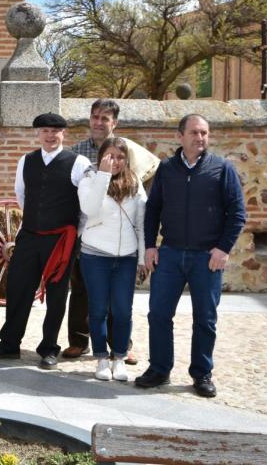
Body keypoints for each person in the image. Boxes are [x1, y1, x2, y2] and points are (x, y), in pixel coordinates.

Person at [137, 114, 246, 398]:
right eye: (195, 132)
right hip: (170, 254)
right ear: (180, 136)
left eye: (204, 133)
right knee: (159, 314)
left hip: (206, 258)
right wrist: (150, 246)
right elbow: (153, 210)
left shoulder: (222, 168)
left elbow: (237, 213)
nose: (200, 138)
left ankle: (202, 374)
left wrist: (223, 248)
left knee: (205, 319)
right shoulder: (166, 168)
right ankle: (159, 369)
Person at [0, 112, 91, 369]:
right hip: (29, 236)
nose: (50, 136)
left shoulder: (78, 162)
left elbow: (85, 206)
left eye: (55, 131)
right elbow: (22, 196)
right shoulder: (26, 160)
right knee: (18, 288)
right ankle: (9, 343)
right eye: (45, 131)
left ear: (63, 133)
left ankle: (49, 348)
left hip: (61, 240)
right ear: (38, 134)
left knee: (56, 295)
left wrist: (73, 234)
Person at [65, 98, 160, 362]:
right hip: (86, 230)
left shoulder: (127, 150)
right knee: (81, 289)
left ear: (114, 123)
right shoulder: (76, 153)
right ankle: (79, 340)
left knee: (119, 300)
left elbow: (144, 182)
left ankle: (121, 344)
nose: (98, 122)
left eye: (104, 118)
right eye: (95, 117)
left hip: (120, 237)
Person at [77, 137, 147, 382]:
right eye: (110, 156)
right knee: (98, 309)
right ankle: (101, 358)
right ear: (101, 157)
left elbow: (141, 223)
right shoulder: (89, 179)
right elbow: (90, 208)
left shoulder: (135, 183)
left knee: (123, 310)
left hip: (126, 257)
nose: (115, 161)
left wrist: (141, 257)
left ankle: (119, 358)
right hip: (95, 254)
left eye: (120, 157)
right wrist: (103, 176)